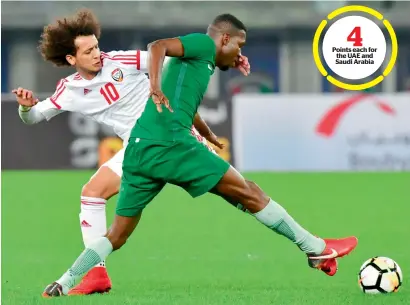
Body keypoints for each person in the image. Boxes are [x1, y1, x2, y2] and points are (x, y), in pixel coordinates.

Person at [43, 13, 358, 297]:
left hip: (140, 149)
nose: (240, 53)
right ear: (223, 39)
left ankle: (64, 282)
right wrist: (153, 85)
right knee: (249, 193)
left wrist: (206, 131)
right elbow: (157, 46)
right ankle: (315, 248)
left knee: (116, 235)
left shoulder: (194, 64)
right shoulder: (202, 44)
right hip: (171, 144)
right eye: (238, 46)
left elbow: (182, 99)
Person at [12, 9, 250, 296]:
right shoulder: (69, 90)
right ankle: (96, 274)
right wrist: (26, 106)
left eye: (97, 46)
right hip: (138, 147)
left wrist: (226, 57)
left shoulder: (122, 61)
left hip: (166, 136)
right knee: (92, 193)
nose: (98, 54)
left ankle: (93, 274)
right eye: (88, 51)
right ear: (71, 60)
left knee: (240, 195)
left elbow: (176, 57)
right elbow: (34, 117)